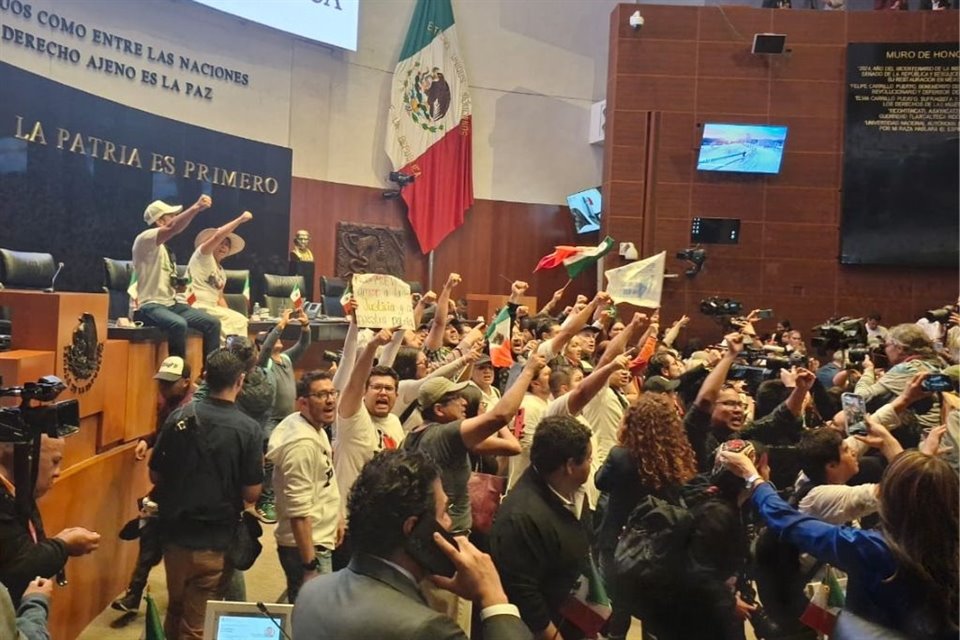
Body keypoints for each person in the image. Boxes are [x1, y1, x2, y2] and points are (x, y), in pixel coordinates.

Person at [292, 449, 532, 640]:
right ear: (413, 528)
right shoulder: (428, 629)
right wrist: (494, 599)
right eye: (444, 512)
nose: (449, 523)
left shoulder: (311, 591)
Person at [722, 448, 959, 639]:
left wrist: (754, 478)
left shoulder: (871, 549)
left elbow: (786, 521)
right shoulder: (949, 546)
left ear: (890, 497)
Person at [149, 348, 263, 640]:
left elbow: (155, 475)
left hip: (174, 537)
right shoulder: (248, 429)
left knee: (175, 610)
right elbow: (251, 493)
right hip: (215, 542)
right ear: (240, 380)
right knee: (197, 627)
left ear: (205, 378)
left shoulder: (178, 418)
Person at [595, 394, 698, 640]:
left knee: (617, 608)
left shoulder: (620, 456)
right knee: (653, 612)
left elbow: (601, 481)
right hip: (661, 545)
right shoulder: (678, 456)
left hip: (618, 542)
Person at [402, 351, 539, 534]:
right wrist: (528, 371)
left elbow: (511, 447)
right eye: (456, 398)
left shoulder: (413, 435)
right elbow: (501, 416)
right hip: (452, 533)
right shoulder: (446, 434)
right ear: (439, 409)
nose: (464, 402)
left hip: (432, 530)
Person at [491, 416, 594, 640]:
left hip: (575, 618)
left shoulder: (575, 492)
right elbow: (524, 597)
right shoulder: (521, 518)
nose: (591, 464)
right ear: (569, 466)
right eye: (588, 459)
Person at [112, 356, 197, 614]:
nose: (163, 387)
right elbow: (161, 435)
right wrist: (147, 441)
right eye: (161, 382)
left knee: (181, 550)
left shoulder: (191, 412)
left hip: (186, 490)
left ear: (185, 382)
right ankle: (134, 594)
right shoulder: (169, 404)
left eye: (169, 383)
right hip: (165, 487)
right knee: (149, 535)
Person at [266, 371, 344, 604]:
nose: (330, 400)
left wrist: (337, 516)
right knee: (313, 616)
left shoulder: (311, 426)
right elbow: (298, 512)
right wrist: (310, 565)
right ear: (302, 403)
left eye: (332, 393)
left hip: (318, 537)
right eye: (321, 395)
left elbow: (322, 481)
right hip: (308, 547)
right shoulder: (301, 446)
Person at [0, 435, 99, 605]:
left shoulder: (20, 493)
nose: (58, 472)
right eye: (55, 461)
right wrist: (63, 545)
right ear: (25, 455)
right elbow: (18, 568)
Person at [132, 196, 220, 359]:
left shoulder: (166, 250)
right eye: (171, 216)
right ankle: (179, 375)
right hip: (150, 306)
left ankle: (209, 375)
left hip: (171, 304)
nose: (174, 219)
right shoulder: (145, 239)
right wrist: (196, 207)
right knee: (178, 324)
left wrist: (178, 287)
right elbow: (173, 227)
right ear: (159, 221)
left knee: (212, 323)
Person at [254, 308, 312, 523]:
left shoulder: (286, 359)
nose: (277, 339)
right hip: (269, 419)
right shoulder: (263, 363)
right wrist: (280, 324)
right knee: (270, 460)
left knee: (288, 458)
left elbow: (304, 345)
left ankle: (278, 495)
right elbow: (267, 346)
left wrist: (305, 326)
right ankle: (265, 499)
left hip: (288, 418)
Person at [187, 210, 253, 340]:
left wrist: (228, 312)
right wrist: (240, 219)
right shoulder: (202, 256)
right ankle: (225, 355)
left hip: (212, 308)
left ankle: (235, 355)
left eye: (227, 245)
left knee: (240, 319)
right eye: (221, 243)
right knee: (233, 322)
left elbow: (220, 298)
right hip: (195, 305)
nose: (223, 247)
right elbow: (217, 236)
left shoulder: (222, 272)